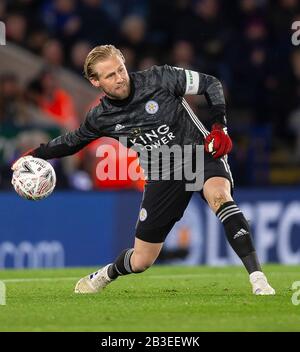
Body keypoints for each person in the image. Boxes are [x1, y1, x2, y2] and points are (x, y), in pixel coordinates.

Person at [13, 45, 275, 295]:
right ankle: (107, 274)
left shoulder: (160, 78)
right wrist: (35, 153)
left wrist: (219, 127)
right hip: (162, 172)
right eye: (109, 75)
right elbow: (72, 142)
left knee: (220, 196)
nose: (119, 78)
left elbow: (211, 84)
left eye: (120, 70)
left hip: (197, 155)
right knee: (141, 261)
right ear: (96, 82)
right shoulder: (101, 117)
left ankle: (258, 279)